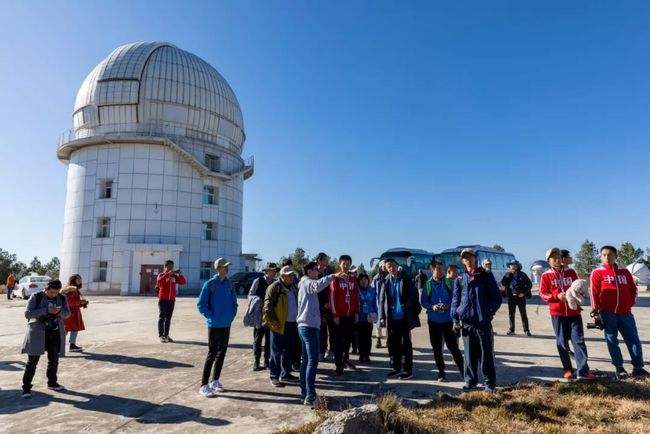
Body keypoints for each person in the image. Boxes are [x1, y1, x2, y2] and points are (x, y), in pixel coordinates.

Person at [590, 245, 648, 379]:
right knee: (612, 340)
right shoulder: (597, 273)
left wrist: (629, 304)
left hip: (625, 313)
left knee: (633, 340)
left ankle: (638, 367)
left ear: (616, 256)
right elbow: (594, 293)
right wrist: (595, 312)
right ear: (601, 256)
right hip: (607, 313)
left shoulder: (625, 272)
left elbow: (633, 290)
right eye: (603, 255)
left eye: (610, 254)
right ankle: (619, 367)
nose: (606, 257)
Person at [539, 247, 595, 380]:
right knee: (562, 342)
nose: (557, 259)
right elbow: (543, 293)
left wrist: (580, 294)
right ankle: (568, 369)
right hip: (557, 313)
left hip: (574, 312)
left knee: (579, 340)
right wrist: (556, 296)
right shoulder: (546, 275)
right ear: (549, 260)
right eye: (554, 257)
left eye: (558, 256)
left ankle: (583, 370)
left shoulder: (571, 272)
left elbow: (578, 287)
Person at [451, 248, 502, 392]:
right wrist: (455, 319)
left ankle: (489, 382)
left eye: (470, 256)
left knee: (486, 354)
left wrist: (488, 312)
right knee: (469, 354)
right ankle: (471, 381)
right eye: (465, 257)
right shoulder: (460, 279)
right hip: (466, 323)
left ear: (475, 258)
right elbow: (455, 301)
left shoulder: (485, 276)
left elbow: (496, 298)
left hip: (482, 322)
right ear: (462, 261)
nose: (468, 259)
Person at [21, 279, 70, 398]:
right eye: (51, 292)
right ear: (46, 289)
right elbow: (27, 314)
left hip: (54, 333)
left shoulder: (62, 298)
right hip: (37, 333)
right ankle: (26, 388)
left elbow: (67, 313)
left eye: (56, 292)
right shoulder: (36, 296)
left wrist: (59, 312)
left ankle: (52, 383)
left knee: (54, 360)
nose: (53, 294)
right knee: (32, 361)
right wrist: (46, 310)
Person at [296, 261, 336, 407]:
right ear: (308, 272)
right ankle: (311, 397)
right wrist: (333, 276)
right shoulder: (307, 283)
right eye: (315, 270)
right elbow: (317, 286)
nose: (318, 272)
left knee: (306, 361)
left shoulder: (303, 284)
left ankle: (305, 393)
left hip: (305, 326)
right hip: (309, 327)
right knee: (312, 361)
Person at [197, 258, 238, 397]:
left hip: (226, 324)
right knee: (212, 353)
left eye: (227, 267)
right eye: (225, 267)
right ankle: (204, 385)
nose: (227, 269)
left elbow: (234, 303)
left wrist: (231, 315)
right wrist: (211, 316)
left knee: (222, 353)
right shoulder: (210, 284)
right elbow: (201, 304)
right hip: (214, 324)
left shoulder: (229, 284)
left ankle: (215, 381)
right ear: (218, 268)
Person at [379, 258, 421, 380]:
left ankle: (408, 370)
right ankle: (395, 368)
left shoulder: (406, 279)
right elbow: (382, 300)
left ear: (397, 266)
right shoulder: (386, 281)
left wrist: (407, 305)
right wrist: (382, 316)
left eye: (392, 265)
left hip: (404, 317)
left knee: (406, 344)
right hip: (392, 319)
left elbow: (414, 295)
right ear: (386, 269)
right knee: (393, 344)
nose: (391, 268)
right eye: (388, 267)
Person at [422, 260, 464, 382]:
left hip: (447, 321)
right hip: (434, 321)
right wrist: (432, 307)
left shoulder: (449, 282)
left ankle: (464, 372)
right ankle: (441, 372)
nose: (441, 272)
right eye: (438, 269)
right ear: (432, 270)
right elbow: (423, 301)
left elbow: (455, 298)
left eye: (442, 269)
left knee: (453, 347)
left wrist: (448, 305)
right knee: (436, 348)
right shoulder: (428, 285)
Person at [263, 265, 299, 387]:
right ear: (282, 276)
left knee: (288, 350)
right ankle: (274, 376)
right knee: (276, 352)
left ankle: (285, 373)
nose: (292, 277)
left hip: (292, 324)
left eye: (292, 275)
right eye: (289, 275)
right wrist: (273, 322)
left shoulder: (294, 287)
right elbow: (267, 307)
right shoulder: (274, 287)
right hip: (278, 325)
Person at [329, 254, 359, 375]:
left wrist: (356, 312)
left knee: (347, 341)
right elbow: (332, 297)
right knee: (338, 342)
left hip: (350, 315)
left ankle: (345, 360)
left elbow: (356, 296)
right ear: (339, 264)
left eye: (348, 263)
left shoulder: (353, 278)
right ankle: (338, 365)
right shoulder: (335, 278)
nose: (346, 266)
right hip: (339, 316)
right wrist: (335, 314)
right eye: (343, 263)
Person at [248, 262, 279, 371]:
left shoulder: (276, 283)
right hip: (259, 316)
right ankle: (256, 362)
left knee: (269, 339)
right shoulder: (258, 281)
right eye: (272, 270)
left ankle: (267, 361)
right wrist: (257, 300)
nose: (274, 272)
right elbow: (250, 295)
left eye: (275, 270)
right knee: (257, 339)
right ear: (267, 271)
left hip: (271, 316)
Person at [156, 260, 186, 343]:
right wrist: (167, 274)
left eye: (172, 267)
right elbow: (159, 283)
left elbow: (183, 282)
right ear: (165, 267)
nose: (171, 268)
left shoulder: (174, 276)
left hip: (171, 300)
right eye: (170, 266)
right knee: (162, 317)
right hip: (163, 300)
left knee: (168, 318)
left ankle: (166, 335)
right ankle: (161, 335)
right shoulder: (161, 275)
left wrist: (180, 275)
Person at [501, 261, 533, 336]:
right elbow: (503, 283)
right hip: (511, 297)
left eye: (514, 265)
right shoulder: (507, 274)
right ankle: (511, 330)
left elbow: (529, 284)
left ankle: (526, 330)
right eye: (511, 265)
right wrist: (507, 275)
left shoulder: (522, 274)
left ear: (517, 266)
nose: (513, 266)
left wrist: (523, 293)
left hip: (520, 297)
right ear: (509, 266)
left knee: (523, 314)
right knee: (511, 314)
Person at [316, 252, 335, 362]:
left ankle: (331, 351)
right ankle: (321, 351)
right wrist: (322, 303)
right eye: (325, 259)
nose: (327, 261)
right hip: (319, 307)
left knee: (332, 330)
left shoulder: (329, 273)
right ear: (319, 260)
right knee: (322, 331)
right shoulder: (314, 273)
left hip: (330, 306)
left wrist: (330, 302)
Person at [61, 274, 87, 352]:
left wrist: (82, 304)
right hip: (70, 313)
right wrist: (80, 302)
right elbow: (68, 302)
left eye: (80, 279)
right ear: (73, 280)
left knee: (70, 329)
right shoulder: (71, 289)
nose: (80, 280)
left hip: (73, 313)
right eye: (78, 279)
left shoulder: (74, 289)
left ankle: (71, 345)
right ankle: (62, 346)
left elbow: (73, 302)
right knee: (67, 330)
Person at [356, 272, 378, 363]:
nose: (364, 282)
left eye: (365, 280)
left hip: (369, 318)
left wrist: (375, 314)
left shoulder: (372, 290)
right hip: (359, 317)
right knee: (359, 337)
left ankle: (367, 355)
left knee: (368, 337)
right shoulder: (356, 291)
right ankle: (361, 355)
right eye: (361, 280)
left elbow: (375, 303)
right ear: (359, 281)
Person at [372, 261, 388, 349]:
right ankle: (378, 339)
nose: (384, 267)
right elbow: (373, 291)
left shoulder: (390, 277)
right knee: (378, 324)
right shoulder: (376, 278)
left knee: (388, 323)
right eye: (383, 266)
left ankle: (388, 340)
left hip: (388, 303)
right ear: (380, 267)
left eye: (386, 266)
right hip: (378, 303)